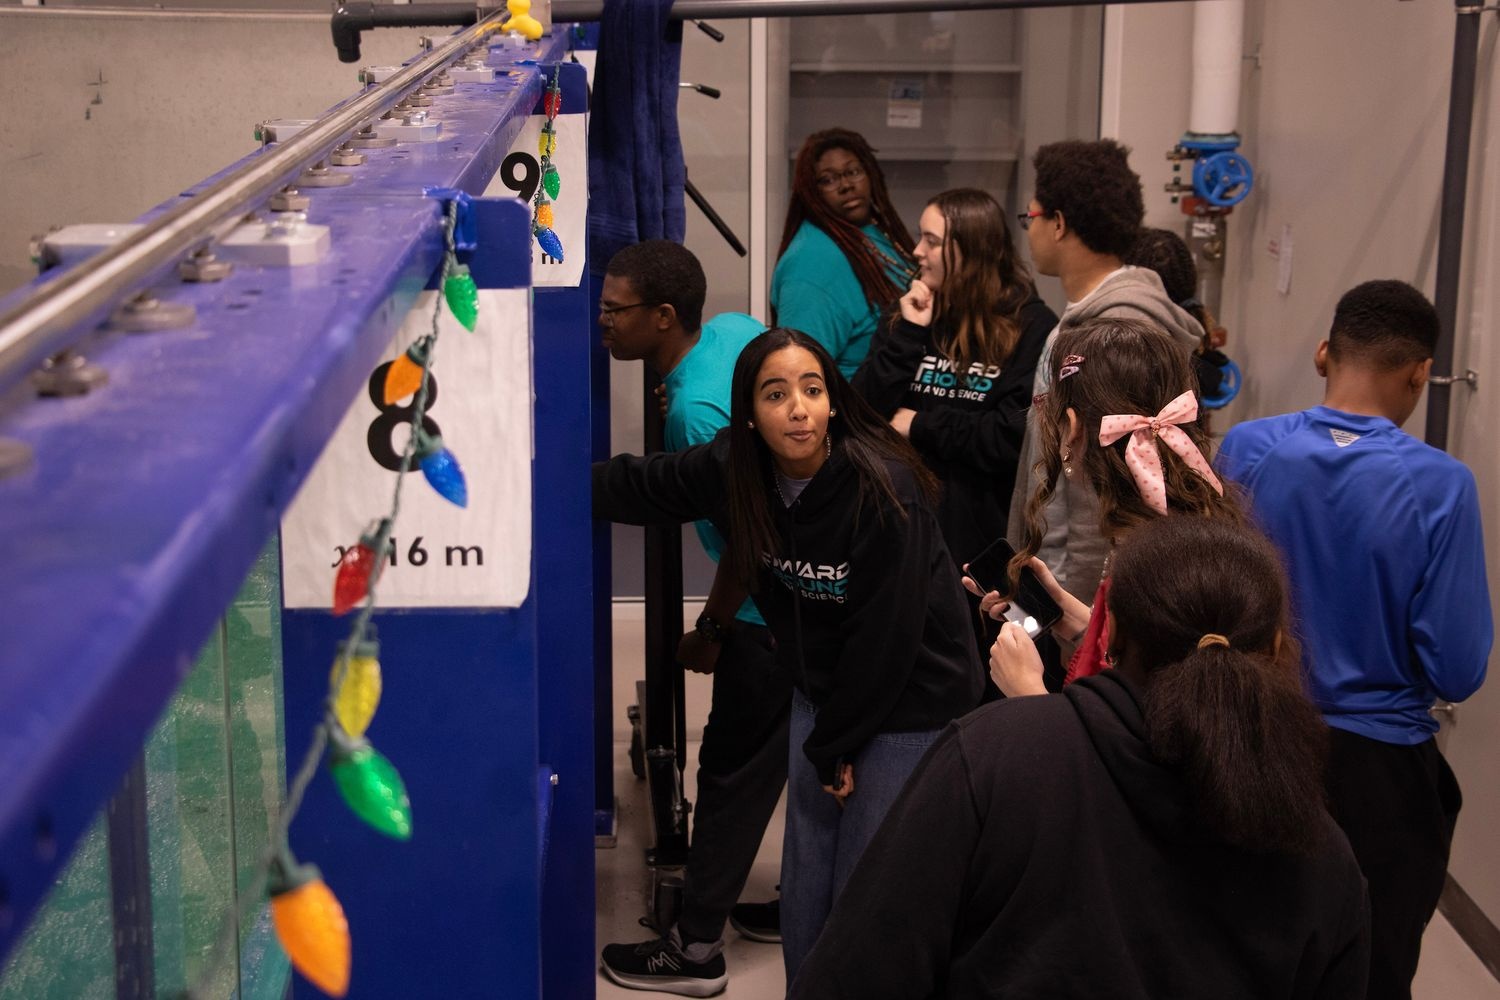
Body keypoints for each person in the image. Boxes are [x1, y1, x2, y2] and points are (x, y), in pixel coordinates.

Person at [787, 515, 1371, 999]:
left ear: (1109, 633)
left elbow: (857, 972)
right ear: (1273, 649)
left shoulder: (990, 756)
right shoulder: (1321, 849)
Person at [594, 328, 982, 989]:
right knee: (806, 879)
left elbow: (883, 641)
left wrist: (835, 750)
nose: (797, 408)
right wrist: (534, 479)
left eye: (812, 390)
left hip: (910, 703)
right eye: (776, 395)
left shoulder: (882, 490)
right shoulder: (735, 470)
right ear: (749, 414)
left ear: (832, 403)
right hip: (822, 690)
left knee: (865, 882)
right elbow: (645, 485)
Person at [1217, 279, 1491, 1000]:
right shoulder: (1441, 487)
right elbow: (1458, 667)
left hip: (1254, 741)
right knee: (1366, 969)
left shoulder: (1245, 451)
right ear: (1419, 375)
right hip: (1380, 776)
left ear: (1321, 355)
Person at [592, 241, 786, 998]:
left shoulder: (696, 413)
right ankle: (798, 904)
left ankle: (695, 948)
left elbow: (751, 534)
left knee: (733, 775)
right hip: (805, 605)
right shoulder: (734, 330)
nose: (603, 323)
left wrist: (711, 629)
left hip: (770, 614)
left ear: (664, 317)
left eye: (616, 311)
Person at [970, 317, 1239, 696]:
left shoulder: (1144, 566)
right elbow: (1132, 664)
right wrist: (1069, 616)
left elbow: (1127, 742)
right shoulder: (1187, 538)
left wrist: (1026, 690)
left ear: (1071, 427)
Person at [1007, 140, 1205, 607]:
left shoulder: (1108, 337)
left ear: (1057, 223)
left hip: (1075, 603)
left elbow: (1097, 497)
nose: (1028, 231)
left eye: (1030, 218)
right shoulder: (1093, 319)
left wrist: (1061, 610)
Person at [852, 188, 1056, 584]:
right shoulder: (910, 313)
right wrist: (909, 334)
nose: (915, 251)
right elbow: (861, 412)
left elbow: (1014, 438)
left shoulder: (1031, 325)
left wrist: (920, 425)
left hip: (981, 552)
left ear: (970, 250)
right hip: (896, 535)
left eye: (931, 241)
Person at [772, 128, 916, 379]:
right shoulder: (810, 263)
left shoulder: (871, 229)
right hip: (858, 411)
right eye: (828, 180)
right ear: (810, 192)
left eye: (853, 172)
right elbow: (798, 375)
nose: (846, 186)